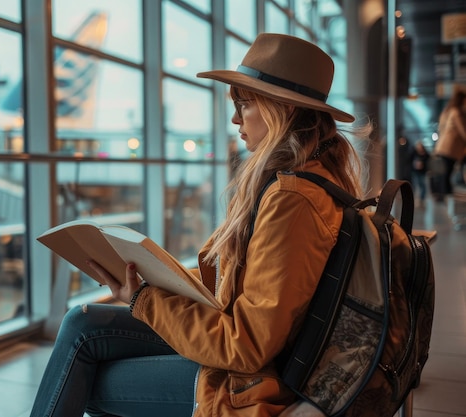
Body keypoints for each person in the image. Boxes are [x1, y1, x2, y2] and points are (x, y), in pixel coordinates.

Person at [29, 33, 369, 417]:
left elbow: (247, 346)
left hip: (251, 379)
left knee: (87, 377)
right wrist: (149, 279)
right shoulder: (305, 181)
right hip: (255, 357)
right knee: (80, 323)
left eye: (246, 103)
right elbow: (255, 288)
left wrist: (144, 298)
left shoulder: (292, 199)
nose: (235, 118)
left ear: (282, 109)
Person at [434, 87, 466, 199]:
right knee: (446, 175)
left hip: (444, 148)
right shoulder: (456, 112)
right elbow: (463, 130)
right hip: (450, 149)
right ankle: (447, 201)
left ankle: (445, 201)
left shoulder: (447, 111)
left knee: (445, 175)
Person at [409, 140, 430, 205]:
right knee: (415, 185)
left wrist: (423, 165)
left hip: (422, 172)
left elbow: (428, 163)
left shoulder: (426, 154)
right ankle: (413, 198)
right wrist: (414, 164)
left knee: (422, 185)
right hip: (415, 171)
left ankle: (422, 199)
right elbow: (408, 160)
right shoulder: (413, 153)